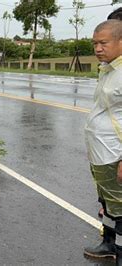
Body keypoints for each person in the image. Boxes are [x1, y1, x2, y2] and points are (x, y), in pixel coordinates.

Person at [83, 19, 122, 264]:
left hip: (115, 154)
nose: (98, 48)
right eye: (95, 43)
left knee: (121, 208)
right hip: (100, 153)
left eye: (103, 43)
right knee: (108, 204)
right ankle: (109, 244)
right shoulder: (108, 70)